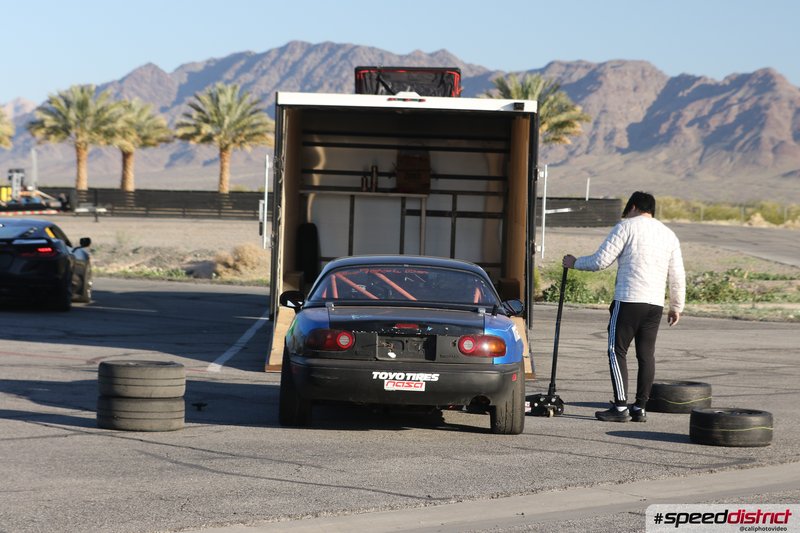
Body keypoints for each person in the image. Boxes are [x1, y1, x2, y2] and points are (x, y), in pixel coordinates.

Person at [562, 191, 685, 423]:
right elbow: (677, 274)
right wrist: (676, 306)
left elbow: (601, 260)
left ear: (634, 207)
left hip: (629, 299)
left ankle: (620, 407)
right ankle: (640, 407)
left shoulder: (626, 226)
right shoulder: (669, 235)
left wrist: (575, 262)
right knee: (646, 355)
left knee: (616, 351)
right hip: (655, 304)